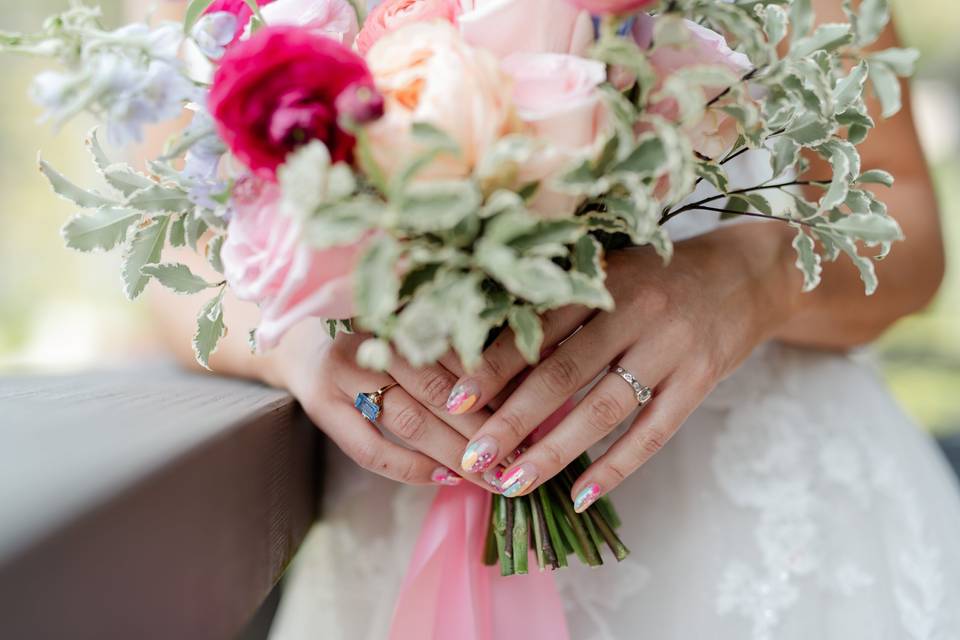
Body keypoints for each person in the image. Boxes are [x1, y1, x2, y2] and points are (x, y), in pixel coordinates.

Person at [145, 1, 960, 638]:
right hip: (404, 522)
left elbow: (911, 232)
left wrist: (747, 275)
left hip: (781, 532)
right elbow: (163, 262)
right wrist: (288, 331)